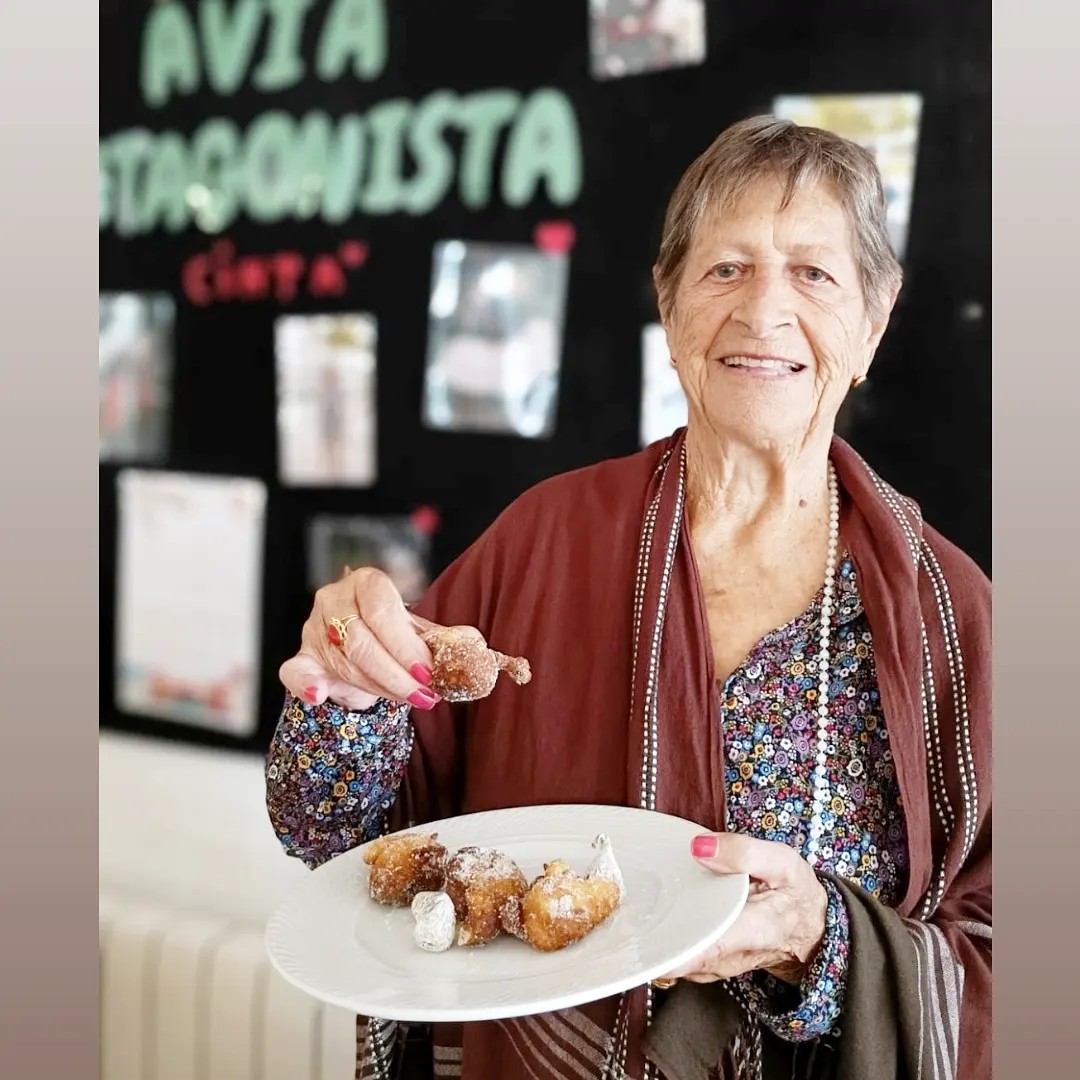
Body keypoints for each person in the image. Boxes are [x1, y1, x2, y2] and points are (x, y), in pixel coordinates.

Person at [265, 115, 991, 1080]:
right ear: (669, 302)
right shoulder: (544, 540)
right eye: (726, 268)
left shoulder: (954, 615)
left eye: (814, 274)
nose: (764, 311)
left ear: (874, 321)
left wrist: (823, 941)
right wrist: (350, 698)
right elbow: (336, 838)